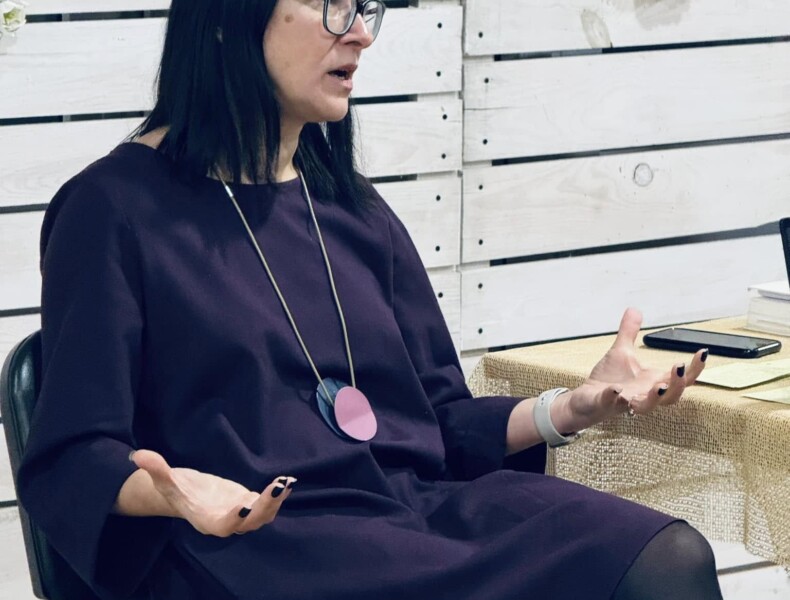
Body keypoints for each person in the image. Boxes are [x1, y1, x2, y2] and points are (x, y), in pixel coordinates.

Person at [17, 1, 723, 599]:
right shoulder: (111, 209)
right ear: (228, 17)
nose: (359, 33)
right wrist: (176, 492)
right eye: (328, 7)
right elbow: (73, 454)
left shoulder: (352, 209)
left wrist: (569, 408)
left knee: (664, 556)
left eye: (363, 7)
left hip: (408, 512)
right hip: (257, 546)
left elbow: (440, 420)